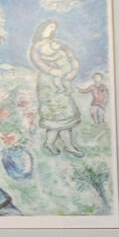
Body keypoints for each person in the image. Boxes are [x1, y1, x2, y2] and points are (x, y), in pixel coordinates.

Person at [28, 18, 81, 154]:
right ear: (42, 29)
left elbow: (72, 57)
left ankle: (66, 145)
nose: (51, 30)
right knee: (54, 115)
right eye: (49, 27)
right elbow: (37, 61)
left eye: (53, 28)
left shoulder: (58, 44)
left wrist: (73, 72)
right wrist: (51, 71)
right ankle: (54, 144)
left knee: (65, 116)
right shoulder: (37, 47)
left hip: (63, 81)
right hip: (48, 84)